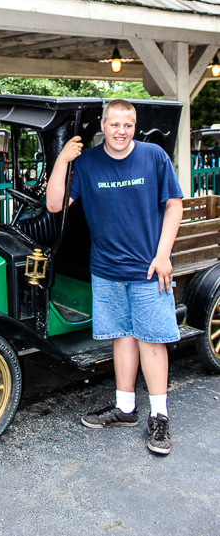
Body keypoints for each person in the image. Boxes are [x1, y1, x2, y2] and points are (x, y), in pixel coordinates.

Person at [46, 99, 183, 456]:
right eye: (114, 124)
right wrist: (62, 159)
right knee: (121, 337)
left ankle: (159, 415)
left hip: (148, 269)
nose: (121, 131)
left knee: (151, 340)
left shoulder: (153, 156)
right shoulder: (88, 164)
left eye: (127, 125)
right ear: (102, 127)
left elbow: (174, 204)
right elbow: (55, 205)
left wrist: (163, 254)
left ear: (133, 127)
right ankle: (125, 408)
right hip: (106, 270)